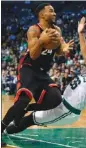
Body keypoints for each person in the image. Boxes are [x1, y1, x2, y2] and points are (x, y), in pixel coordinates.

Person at [4, 17, 86, 135]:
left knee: (30, 119)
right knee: (35, 110)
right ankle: (14, 119)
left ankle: (5, 131)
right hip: (62, 102)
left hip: (67, 111)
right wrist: (81, 33)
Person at [1, 3, 74, 135]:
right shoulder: (33, 30)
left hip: (42, 72)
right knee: (23, 100)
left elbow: (58, 49)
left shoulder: (57, 29)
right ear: (42, 14)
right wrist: (41, 41)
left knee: (55, 99)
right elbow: (33, 55)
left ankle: (25, 110)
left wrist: (63, 49)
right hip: (28, 67)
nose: (54, 13)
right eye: (51, 11)